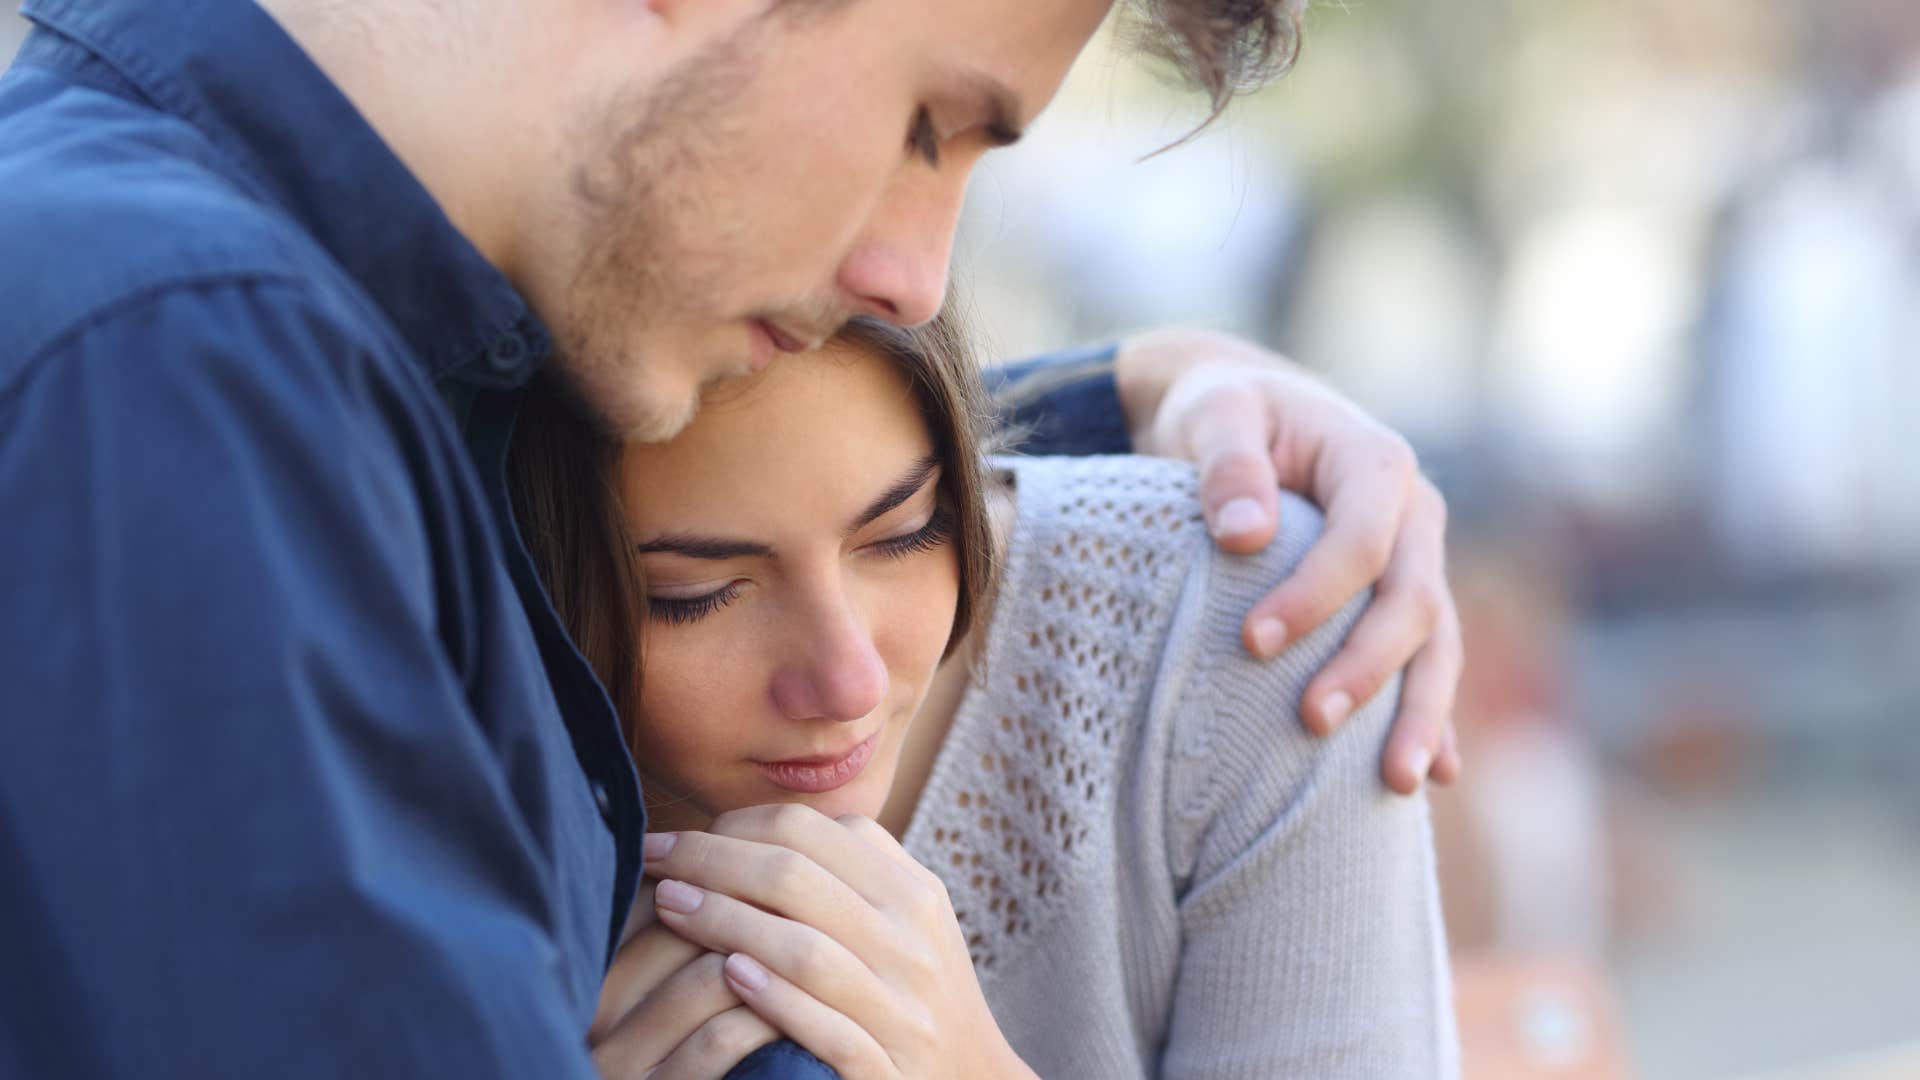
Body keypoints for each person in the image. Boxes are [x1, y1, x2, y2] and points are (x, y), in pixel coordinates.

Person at [0, 0, 1458, 1076]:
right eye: (926, 126)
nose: (911, 272)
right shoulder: (183, 375)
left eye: (907, 526)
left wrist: (1129, 396)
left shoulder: (284, 352)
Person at [512, 312, 1456, 1077]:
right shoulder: (453, 755)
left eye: (905, 533)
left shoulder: (1249, 631)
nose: (852, 681)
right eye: (696, 597)